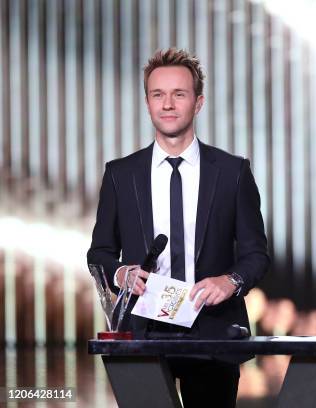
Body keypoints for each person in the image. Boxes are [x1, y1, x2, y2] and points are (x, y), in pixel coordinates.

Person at [87, 48, 269, 407]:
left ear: (198, 103)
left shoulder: (233, 173)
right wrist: (120, 273)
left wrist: (230, 281)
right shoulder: (121, 175)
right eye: (158, 94)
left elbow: (255, 255)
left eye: (179, 94)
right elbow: (100, 252)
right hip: (143, 331)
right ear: (147, 102)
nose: (168, 104)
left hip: (214, 332)